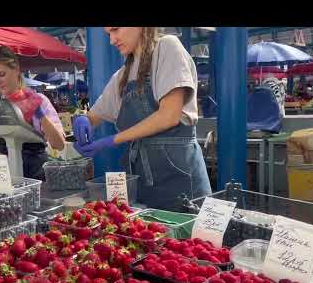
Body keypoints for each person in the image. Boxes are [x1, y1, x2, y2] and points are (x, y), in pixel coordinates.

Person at [72, 27, 211, 211]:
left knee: (188, 235)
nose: (112, 40)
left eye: (115, 30)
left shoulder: (167, 48)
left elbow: (168, 116)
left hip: (179, 177)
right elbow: (95, 115)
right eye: (108, 34)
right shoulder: (122, 76)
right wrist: (83, 121)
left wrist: (112, 140)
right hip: (142, 179)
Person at [0, 46, 65, 180]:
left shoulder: (39, 101)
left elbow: (59, 145)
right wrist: (8, 160)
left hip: (38, 176)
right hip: (8, 176)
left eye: (2, 74)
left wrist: (40, 114)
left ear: (16, 70)